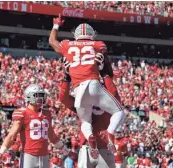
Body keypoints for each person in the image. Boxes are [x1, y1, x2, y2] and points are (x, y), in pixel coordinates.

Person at [49, 14, 125, 158]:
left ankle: (90, 137)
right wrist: (102, 67)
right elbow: (103, 55)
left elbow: (52, 41)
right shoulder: (98, 44)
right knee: (119, 111)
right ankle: (110, 132)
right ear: (92, 35)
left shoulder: (67, 44)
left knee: (85, 121)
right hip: (93, 84)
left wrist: (56, 26)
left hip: (78, 89)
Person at [0, 84, 77, 168]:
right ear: (28, 96)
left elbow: (53, 137)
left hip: (45, 156)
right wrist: (1, 151)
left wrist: (67, 152)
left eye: (41, 95)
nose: (40, 98)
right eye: (37, 95)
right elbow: (12, 135)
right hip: (29, 156)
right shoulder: (22, 113)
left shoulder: (47, 113)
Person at [59, 61, 119, 168]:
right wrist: (104, 74)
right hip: (104, 148)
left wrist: (67, 77)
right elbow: (114, 94)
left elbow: (63, 98)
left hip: (87, 149)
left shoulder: (83, 101)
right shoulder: (110, 101)